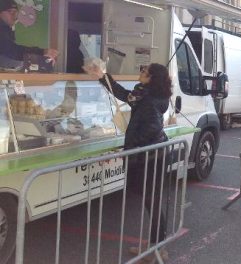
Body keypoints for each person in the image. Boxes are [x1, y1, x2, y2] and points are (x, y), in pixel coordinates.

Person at [83, 62, 172, 261]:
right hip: (152, 154)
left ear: (151, 78)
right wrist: (103, 76)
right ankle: (155, 246)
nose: (140, 72)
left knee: (153, 201)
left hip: (152, 156)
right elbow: (124, 95)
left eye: (144, 71)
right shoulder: (143, 93)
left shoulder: (149, 100)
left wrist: (132, 146)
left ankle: (158, 249)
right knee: (152, 201)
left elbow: (152, 129)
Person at [0, 0, 58, 68]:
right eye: (10, 11)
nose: (14, 15)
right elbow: (11, 50)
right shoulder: (2, 28)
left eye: (16, 12)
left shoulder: (6, 29)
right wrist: (42, 52)